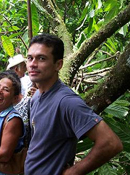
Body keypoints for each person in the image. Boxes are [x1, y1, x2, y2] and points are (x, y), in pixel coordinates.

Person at [24, 33, 123, 175]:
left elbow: (111, 143)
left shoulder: (67, 101)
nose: (33, 64)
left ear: (58, 64)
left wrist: (73, 172)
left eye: (41, 58)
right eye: (30, 58)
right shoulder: (36, 97)